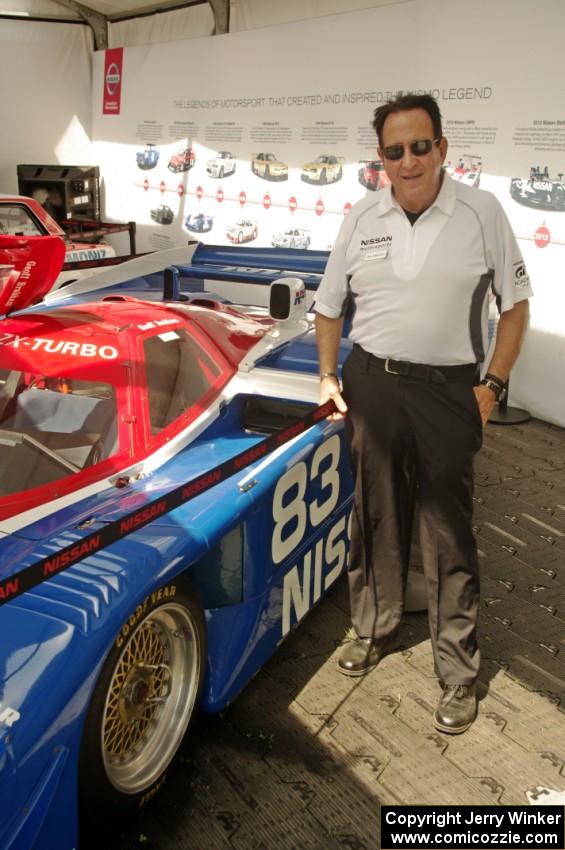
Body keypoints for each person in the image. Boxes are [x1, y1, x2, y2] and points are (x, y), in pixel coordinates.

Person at [314, 93, 532, 735]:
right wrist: (328, 376)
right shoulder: (360, 217)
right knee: (376, 517)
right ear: (379, 158)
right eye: (393, 150)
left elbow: (516, 306)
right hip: (372, 384)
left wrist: (492, 386)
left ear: (442, 148)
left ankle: (458, 670)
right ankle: (372, 629)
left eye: (419, 146)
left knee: (447, 533)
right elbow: (329, 307)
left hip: (449, 393)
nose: (407, 161)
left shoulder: (481, 211)